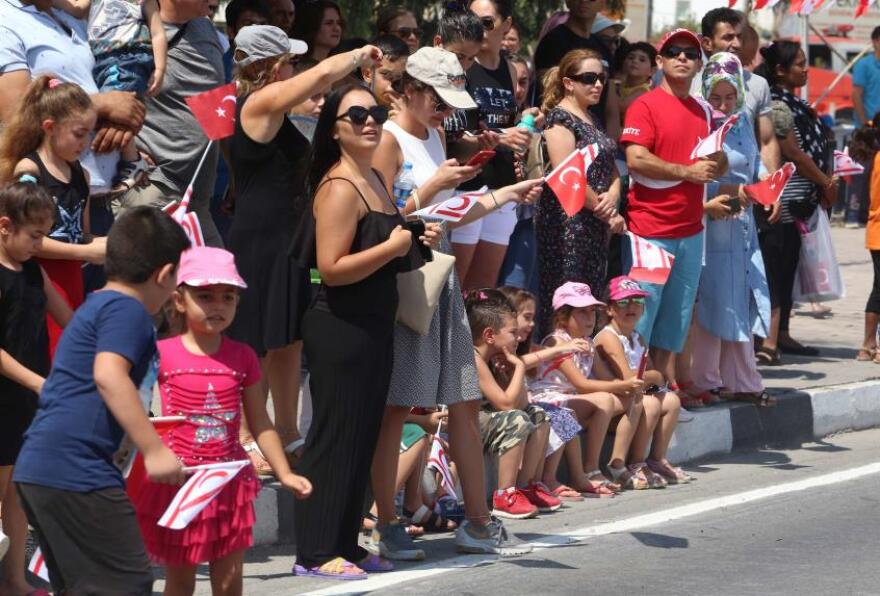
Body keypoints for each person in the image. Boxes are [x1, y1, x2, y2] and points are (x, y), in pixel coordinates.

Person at [370, 45, 543, 558]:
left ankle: (478, 520)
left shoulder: (433, 133)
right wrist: (431, 189)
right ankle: (385, 522)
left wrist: (505, 195)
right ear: (411, 90)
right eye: (439, 100)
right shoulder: (385, 138)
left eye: (450, 102)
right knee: (399, 405)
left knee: (465, 400)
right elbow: (380, 217)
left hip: (440, 268)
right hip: (407, 273)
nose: (446, 111)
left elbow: (451, 215)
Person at [226, 27, 379, 475]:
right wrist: (358, 56)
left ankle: (286, 431)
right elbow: (319, 78)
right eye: (290, 62)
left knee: (289, 337)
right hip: (261, 239)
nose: (296, 68)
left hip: (289, 238)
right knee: (256, 342)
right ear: (275, 67)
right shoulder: (256, 104)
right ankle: (244, 436)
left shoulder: (274, 112)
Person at [14, 206, 190, 595]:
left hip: (42, 469)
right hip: (77, 472)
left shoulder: (98, 305)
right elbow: (108, 375)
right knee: (127, 583)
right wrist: (154, 449)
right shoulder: (127, 310)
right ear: (164, 275)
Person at [292, 83, 427, 580]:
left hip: (374, 323)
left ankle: (345, 542)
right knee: (334, 436)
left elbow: (384, 239)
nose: (370, 121)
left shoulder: (371, 174)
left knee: (363, 435)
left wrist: (410, 236)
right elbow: (330, 268)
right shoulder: (338, 187)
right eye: (357, 115)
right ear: (335, 128)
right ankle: (313, 551)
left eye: (375, 112)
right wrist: (391, 249)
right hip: (340, 325)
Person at [134, 247, 311, 595]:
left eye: (227, 297)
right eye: (205, 296)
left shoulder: (243, 356)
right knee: (180, 584)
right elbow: (136, 409)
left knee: (230, 584)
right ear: (179, 300)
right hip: (180, 484)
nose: (218, 305)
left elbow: (261, 423)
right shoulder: (161, 353)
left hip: (229, 483)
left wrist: (285, 472)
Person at [619, 28, 722, 384]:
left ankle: (661, 397)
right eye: (674, 52)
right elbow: (635, 159)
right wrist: (687, 172)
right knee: (639, 324)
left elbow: (713, 160)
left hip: (691, 232)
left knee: (674, 326)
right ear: (659, 62)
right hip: (649, 232)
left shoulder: (702, 111)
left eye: (691, 54)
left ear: (698, 66)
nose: (683, 58)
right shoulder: (644, 104)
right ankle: (633, 402)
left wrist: (716, 165)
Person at [689, 52, 774, 407]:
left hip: (742, 225)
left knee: (740, 299)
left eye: (729, 96)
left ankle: (741, 378)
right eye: (715, 97)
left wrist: (768, 185)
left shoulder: (742, 123)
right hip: (713, 222)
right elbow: (695, 174)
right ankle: (708, 378)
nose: (723, 104)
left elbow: (754, 165)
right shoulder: (700, 124)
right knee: (713, 302)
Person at [0, 77, 107, 357]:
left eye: (90, 134)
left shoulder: (81, 175)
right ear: (50, 127)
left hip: (72, 281)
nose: (85, 143)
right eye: (79, 133)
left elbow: (82, 233)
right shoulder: (30, 170)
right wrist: (85, 250)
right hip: (38, 278)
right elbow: (29, 240)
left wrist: (111, 245)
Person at [0, 181, 72, 596]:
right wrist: (36, 382)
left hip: (30, 397)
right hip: (9, 395)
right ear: (5, 226)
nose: (39, 244)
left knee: (17, 492)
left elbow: (66, 316)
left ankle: (13, 578)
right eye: (34, 236)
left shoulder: (32, 269)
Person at [0, 0, 144, 198]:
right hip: (58, 199)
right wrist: (103, 105)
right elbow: (15, 114)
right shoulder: (4, 21)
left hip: (114, 190)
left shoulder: (69, 14)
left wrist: (120, 123)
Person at [118, 0, 225, 248]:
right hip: (155, 192)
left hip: (199, 202)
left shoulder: (205, 27)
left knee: (218, 284)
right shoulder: (131, 27)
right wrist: (129, 149)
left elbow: (216, 100)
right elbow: (101, 92)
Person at [753, 41, 836, 364]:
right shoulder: (776, 104)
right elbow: (793, 153)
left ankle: (782, 333)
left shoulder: (797, 104)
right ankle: (768, 342)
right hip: (781, 202)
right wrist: (826, 182)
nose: (806, 69)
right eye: (799, 64)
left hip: (800, 203)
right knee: (774, 272)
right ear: (780, 71)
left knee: (788, 270)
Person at [503, 285, 621, 498]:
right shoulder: (557, 341)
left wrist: (641, 384)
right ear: (563, 317)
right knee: (578, 409)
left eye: (593, 311)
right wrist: (623, 385)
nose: (590, 317)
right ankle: (577, 473)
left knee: (637, 402)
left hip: (557, 400)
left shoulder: (587, 343)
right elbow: (582, 383)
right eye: (582, 311)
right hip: (541, 398)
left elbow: (607, 378)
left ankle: (620, 465)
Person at [537, 49, 624, 333]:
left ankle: (581, 364)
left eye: (601, 78)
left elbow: (611, 168)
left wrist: (613, 195)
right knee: (567, 298)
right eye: (589, 78)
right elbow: (566, 174)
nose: (598, 84)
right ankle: (558, 368)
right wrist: (606, 211)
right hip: (568, 225)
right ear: (568, 82)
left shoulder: (591, 118)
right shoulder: (560, 118)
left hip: (595, 224)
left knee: (589, 297)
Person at [451, 0, 535, 291]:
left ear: (507, 25)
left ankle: (472, 340)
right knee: (453, 287)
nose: (476, 29)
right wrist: (502, 136)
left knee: (482, 293)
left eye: (486, 22)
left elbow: (511, 126)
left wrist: (524, 128)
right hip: (468, 185)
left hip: (502, 186)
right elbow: (450, 132)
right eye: (471, 21)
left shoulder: (510, 71)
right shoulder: (460, 67)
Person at [51, 0, 167, 191]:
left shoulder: (144, 2)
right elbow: (77, 9)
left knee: (116, 111)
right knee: (112, 112)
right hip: (102, 59)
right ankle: (130, 160)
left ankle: (132, 161)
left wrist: (160, 68)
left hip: (129, 56)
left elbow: (158, 33)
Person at [465, 289, 558, 519]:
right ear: (489, 335)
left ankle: (526, 486)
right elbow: (507, 406)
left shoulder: (492, 360)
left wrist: (509, 375)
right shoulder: (474, 358)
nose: (518, 338)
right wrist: (519, 368)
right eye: (512, 333)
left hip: (484, 419)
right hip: (464, 423)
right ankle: (504, 495)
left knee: (538, 416)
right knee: (516, 420)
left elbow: (520, 402)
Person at [594, 276, 690, 488]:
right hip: (614, 401)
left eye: (637, 301)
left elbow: (656, 377)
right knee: (650, 402)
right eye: (623, 302)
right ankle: (626, 462)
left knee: (671, 400)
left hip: (630, 395)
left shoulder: (637, 337)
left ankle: (656, 459)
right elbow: (631, 379)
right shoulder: (608, 337)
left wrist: (652, 379)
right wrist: (652, 377)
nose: (631, 307)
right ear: (609, 309)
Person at [696, 8, 782, 178]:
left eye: (739, 37)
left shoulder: (759, 85)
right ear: (707, 43)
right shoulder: (688, 81)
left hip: (745, 198)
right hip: (704, 196)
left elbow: (766, 141)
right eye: (728, 37)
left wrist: (771, 186)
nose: (736, 44)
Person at [532, 0, 619, 132]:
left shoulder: (603, 49)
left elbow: (611, 110)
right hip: (563, 134)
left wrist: (610, 144)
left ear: (602, 4)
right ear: (567, 2)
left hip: (600, 139)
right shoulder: (553, 41)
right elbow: (548, 96)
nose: (584, 1)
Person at [851, 119, 880, 361]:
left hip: (875, 232)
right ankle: (871, 346)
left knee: (878, 288)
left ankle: (868, 346)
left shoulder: (876, 157)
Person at [360, 34, 409, 111]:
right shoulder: (355, 108)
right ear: (367, 74)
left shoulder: (412, 109)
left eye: (399, 77)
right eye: (386, 75)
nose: (393, 87)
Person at [616, 41, 656, 118]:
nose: (635, 61)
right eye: (631, 58)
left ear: (652, 71)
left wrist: (609, 87)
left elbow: (622, 106)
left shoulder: (644, 91)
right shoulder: (621, 85)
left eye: (642, 60)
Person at [853, 26, 880, 128]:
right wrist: (865, 123)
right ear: (875, 42)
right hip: (870, 125)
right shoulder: (863, 64)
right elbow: (856, 95)